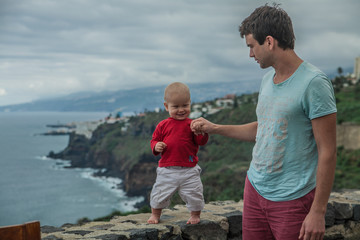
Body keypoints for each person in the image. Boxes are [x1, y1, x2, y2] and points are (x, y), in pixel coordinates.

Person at [191, 4, 337, 240]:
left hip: (293, 198)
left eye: (251, 46)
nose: (250, 54)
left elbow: (328, 150)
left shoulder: (314, 83)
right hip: (255, 190)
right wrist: (214, 128)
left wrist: (318, 211)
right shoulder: (267, 79)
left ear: (269, 41)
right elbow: (265, 128)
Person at [147, 82, 209, 225]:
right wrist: (156, 146)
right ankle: (155, 214)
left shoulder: (192, 124)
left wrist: (202, 132)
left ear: (190, 104)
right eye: (176, 106)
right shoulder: (163, 125)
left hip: (189, 169)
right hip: (167, 169)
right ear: (166, 106)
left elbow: (201, 141)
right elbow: (154, 140)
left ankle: (195, 215)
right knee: (159, 193)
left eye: (185, 105)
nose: (181, 110)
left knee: (195, 193)